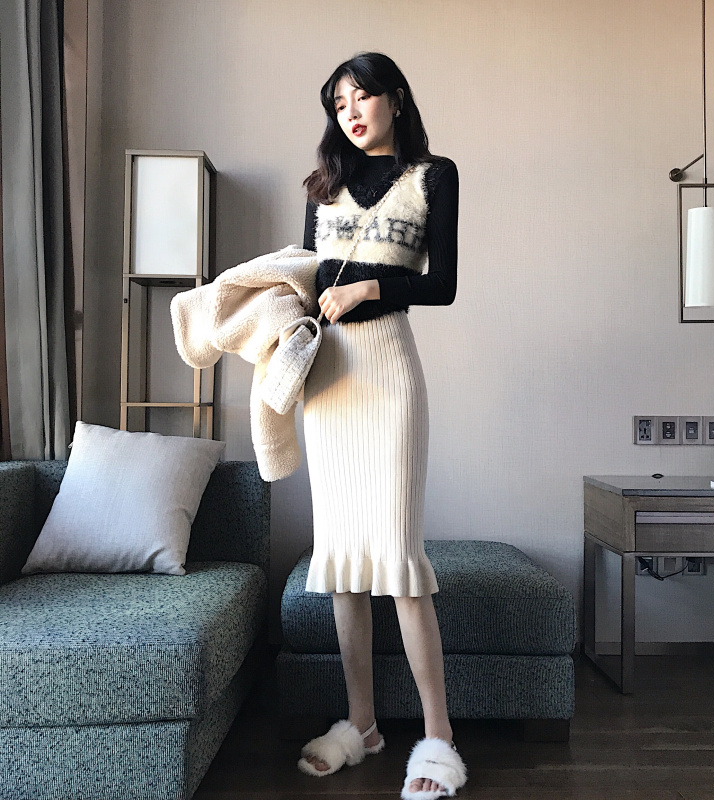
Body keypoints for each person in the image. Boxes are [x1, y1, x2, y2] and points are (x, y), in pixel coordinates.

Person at [296, 52, 466, 800]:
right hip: (328, 382)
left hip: (389, 373)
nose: (352, 111)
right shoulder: (321, 187)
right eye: (339, 103)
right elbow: (304, 278)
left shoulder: (434, 176)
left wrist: (367, 286)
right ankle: (362, 726)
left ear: (395, 98)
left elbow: (443, 284)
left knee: (398, 558)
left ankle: (438, 739)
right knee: (342, 563)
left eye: (362, 96)